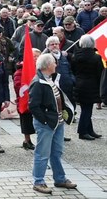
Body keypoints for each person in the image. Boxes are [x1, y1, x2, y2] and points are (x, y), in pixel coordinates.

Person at [29, 54, 76, 194]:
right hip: (47, 123)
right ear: (48, 65)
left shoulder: (50, 79)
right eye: (54, 63)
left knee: (56, 152)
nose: (56, 64)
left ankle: (60, 178)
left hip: (57, 122)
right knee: (42, 153)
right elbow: (33, 106)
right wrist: (44, 120)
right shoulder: (38, 82)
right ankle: (38, 181)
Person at [71, 35, 103, 140]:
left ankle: (89, 130)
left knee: (86, 108)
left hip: (79, 83)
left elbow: (73, 70)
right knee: (87, 110)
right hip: (91, 85)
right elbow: (99, 73)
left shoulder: (76, 55)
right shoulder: (96, 57)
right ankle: (82, 131)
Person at [13, 48, 41, 150]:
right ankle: (27, 140)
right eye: (34, 56)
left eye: (38, 56)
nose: (36, 58)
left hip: (38, 99)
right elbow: (18, 85)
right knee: (26, 120)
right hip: (25, 99)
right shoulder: (21, 70)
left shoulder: (40, 69)